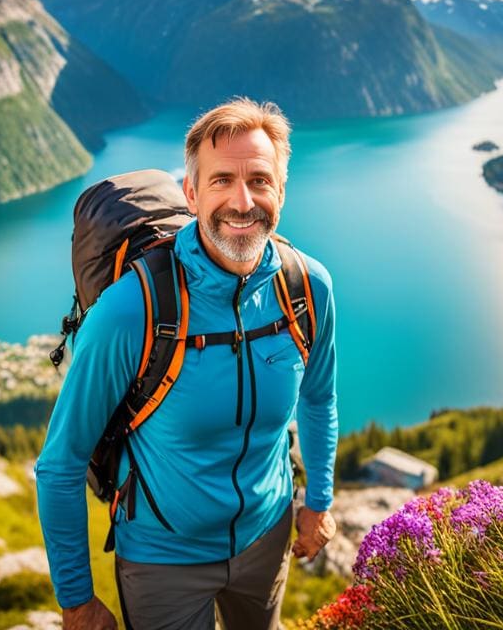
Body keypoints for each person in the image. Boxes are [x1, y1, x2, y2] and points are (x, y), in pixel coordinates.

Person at [36, 97, 339, 630]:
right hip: (161, 558)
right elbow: (59, 465)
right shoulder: (132, 311)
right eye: (222, 181)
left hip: (267, 537)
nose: (243, 202)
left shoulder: (306, 288)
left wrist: (317, 501)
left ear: (282, 191)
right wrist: (77, 600)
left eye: (260, 181)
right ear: (192, 193)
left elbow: (317, 397)